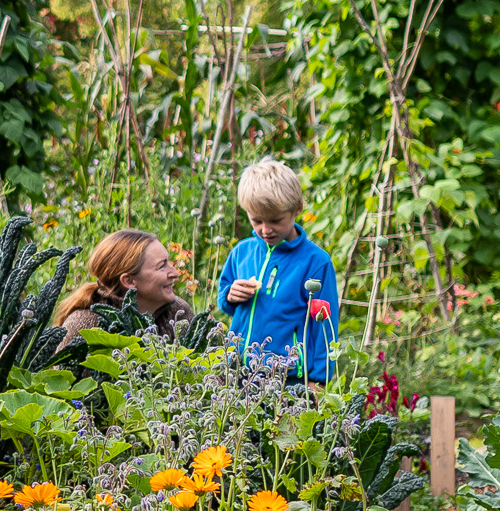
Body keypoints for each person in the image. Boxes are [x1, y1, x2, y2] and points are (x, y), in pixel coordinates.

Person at [214, 158, 340, 381]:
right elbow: (224, 297)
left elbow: (325, 328)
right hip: (237, 371)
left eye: (275, 220)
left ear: (296, 209)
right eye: (256, 221)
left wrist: (319, 380)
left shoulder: (315, 262)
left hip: (286, 378)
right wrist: (230, 296)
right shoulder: (242, 252)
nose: (265, 230)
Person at [58, 229, 189, 342]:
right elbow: (62, 371)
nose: (174, 273)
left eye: (169, 262)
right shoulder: (85, 325)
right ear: (129, 281)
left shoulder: (178, 312)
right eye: (162, 266)